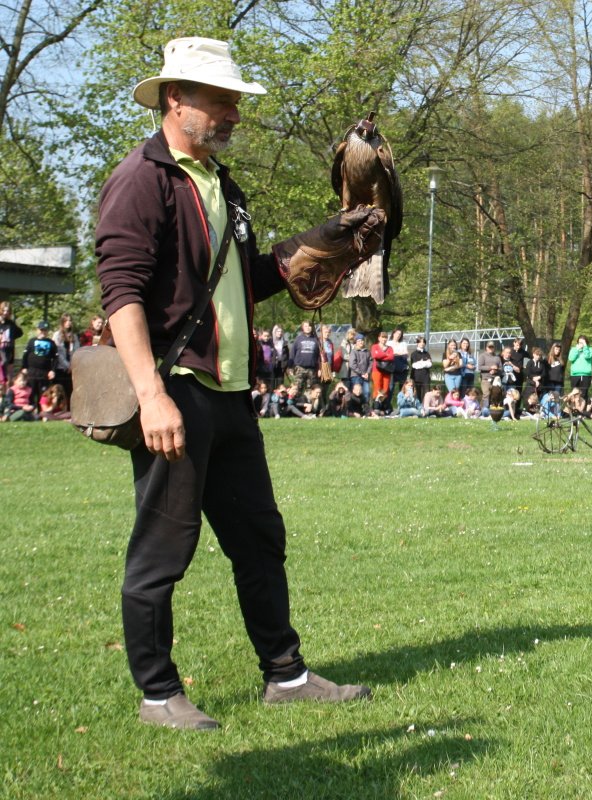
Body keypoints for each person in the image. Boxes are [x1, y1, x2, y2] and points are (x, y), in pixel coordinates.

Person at [94, 37, 372, 730]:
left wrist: (324, 239)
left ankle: (286, 675)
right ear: (175, 98)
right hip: (177, 392)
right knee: (163, 551)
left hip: (230, 396)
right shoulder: (141, 179)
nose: (234, 115)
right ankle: (158, 694)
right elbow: (121, 293)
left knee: (258, 539)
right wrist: (152, 396)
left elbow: (245, 281)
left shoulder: (222, 184)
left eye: (235, 102)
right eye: (221, 101)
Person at [21, 320, 58, 405]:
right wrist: (24, 367)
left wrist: (52, 370)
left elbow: (55, 358)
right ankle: (31, 409)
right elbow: (25, 355)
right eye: (41, 330)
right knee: (31, 394)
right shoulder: (32, 341)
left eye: (45, 330)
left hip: (44, 373)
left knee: (43, 395)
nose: (43, 332)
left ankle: (42, 410)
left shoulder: (51, 343)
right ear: (37, 330)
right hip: (31, 372)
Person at [290, 320, 321, 395]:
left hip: (312, 369)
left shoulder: (316, 339)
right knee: (297, 389)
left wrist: (319, 368)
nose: (308, 328)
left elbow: (319, 356)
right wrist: (290, 367)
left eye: (309, 326)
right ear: (302, 328)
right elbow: (292, 353)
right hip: (300, 368)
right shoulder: (298, 339)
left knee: (310, 390)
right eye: (306, 326)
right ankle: (296, 401)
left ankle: (308, 402)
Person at [0, 301, 24, 387]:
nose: (5, 313)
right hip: (1, 352)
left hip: (9, 351)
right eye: (4, 310)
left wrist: (11, 337)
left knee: (9, 378)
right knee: (1, 378)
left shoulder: (11, 323)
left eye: (7, 311)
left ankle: (8, 394)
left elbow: (20, 333)